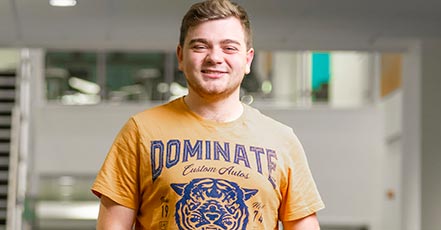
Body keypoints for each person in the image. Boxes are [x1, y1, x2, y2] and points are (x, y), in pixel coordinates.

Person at [90, 0, 324, 229]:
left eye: (229, 47)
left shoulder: (281, 140)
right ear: (180, 56)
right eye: (200, 46)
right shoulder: (140, 131)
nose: (215, 58)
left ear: (248, 59)